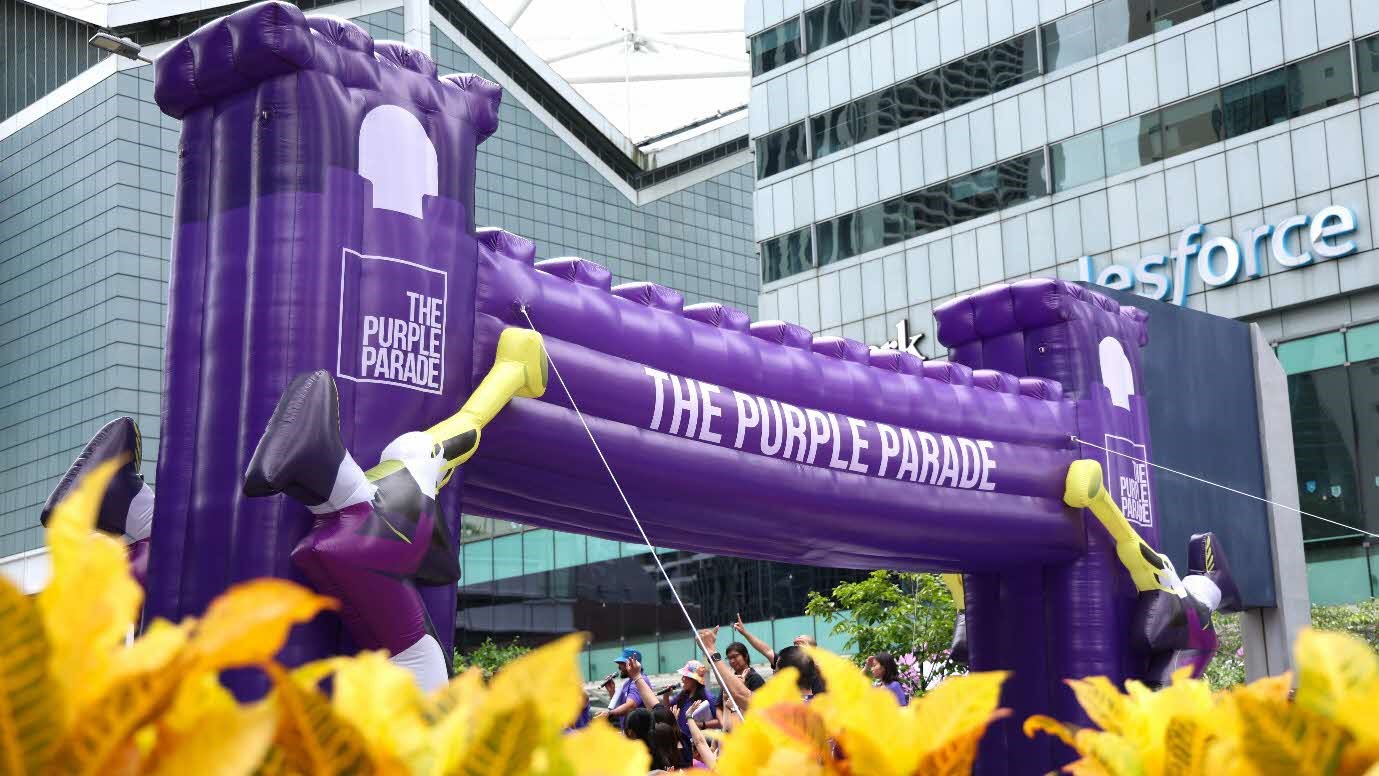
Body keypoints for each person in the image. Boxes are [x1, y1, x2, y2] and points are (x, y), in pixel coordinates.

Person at [732, 613, 814, 668]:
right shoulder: (784, 663)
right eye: (795, 645)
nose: (797, 648)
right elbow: (766, 650)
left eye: (802, 643)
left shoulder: (816, 669)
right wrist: (745, 632)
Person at [670, 661, 711, 767]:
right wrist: (666, 696)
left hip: (698, 747)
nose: (682, 679)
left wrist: (701, 725)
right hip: (684, 741)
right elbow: (669, 708)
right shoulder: (682, 695)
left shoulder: (708, 697)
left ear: (694, 679)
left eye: (685, 676)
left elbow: (719, 722)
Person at [607, 648, 648, 731]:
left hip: (639, 737)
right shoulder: (627, 683)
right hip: (629, 734)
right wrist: (612, 691)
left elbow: (630, 706)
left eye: (621, 663)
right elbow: (620, 708)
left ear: (631, 664)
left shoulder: (640, 681)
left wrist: (608, 714)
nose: (619, 667)